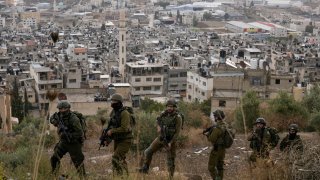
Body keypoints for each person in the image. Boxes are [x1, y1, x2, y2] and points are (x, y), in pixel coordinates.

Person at [139, 98, 182, 179]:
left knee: (170, 160)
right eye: (168, 106)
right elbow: (157, 120)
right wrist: (158, 126)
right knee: (148, 151)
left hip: (170, 141)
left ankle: (170, 177)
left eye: (171, 106)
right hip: (161, 138)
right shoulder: (163, 114)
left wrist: (171, 142)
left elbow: (177, 133)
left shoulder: (178, 117)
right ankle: (145, 168)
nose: (169, 108)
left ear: (174, 107)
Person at [49, 101, 85, 178]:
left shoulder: (74, 119)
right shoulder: (59, 115)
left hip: (73, 143)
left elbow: (80, 133)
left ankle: (83, 177)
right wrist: (55, 122)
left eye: (64, 109)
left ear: (68, 108)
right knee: (54, 158)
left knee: (78, 163)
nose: (62, 110)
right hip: (64, 142)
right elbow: (51, 118)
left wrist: (70, 135)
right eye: (60, 109)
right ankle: (54, 175)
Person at [104, 93, 133, 177]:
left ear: (119, 102)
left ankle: (119, 175)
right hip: (118, 139)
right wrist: (107, 140)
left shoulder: (125, 113)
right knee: (121, 159)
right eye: (112, 101)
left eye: (114, 101)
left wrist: (112, 131)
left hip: (126, 140)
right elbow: (111, 126)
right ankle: (126, 176)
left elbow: (124, 128)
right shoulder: (113, 112)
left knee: (115, 158)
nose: (112, 103)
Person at [204, 109, 227, 180]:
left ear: (217, 117)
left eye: (215, 116)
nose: (214, 117)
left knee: (211, 167)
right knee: (220, 167)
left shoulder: (217, 127)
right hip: (223, 150)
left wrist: (207, 134)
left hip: (216, 149)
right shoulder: (225, 125)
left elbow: (211, 139)